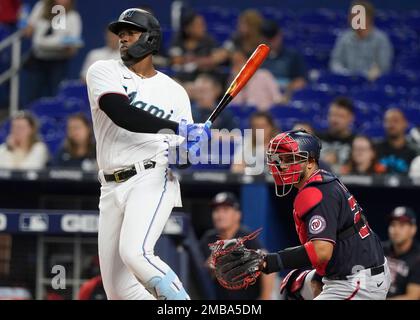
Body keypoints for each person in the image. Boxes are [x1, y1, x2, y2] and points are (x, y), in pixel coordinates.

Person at [85, 8, 210, 300]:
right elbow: (120, 113)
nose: (123, 38)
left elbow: (184, 160)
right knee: (117, 290)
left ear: (151, 38)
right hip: (110, 185)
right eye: (121, 33)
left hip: (152, 177)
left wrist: (192, 147)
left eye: (131, 32)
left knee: (136, 252)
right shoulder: (103, 70)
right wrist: (178, 128)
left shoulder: (175, 91)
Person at [219, 130, 390, 299]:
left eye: (290, 159)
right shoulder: (322, 180)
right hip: (353, 269)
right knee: (293, 286)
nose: (282, 165)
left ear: (310, 162)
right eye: (280, 159)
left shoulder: (315, 192)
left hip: (357, 282)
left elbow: (321, 251)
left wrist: (268, 261)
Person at [200, 192, 275, 300]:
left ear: (237, 215)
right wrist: (211, 265)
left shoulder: (246, 238)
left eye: (225, 210)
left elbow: (268, 264)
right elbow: (199, 273)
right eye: (216, 211)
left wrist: (265, 298)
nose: (220, 215)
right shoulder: (208, 239)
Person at [24, 0, 83, 103]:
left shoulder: (73, 17)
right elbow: (29, 31)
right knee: (32, 94)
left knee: (57, 94)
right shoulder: (41, 6)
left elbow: (73, 48)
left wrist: (65, 44)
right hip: (38, 60)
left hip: (58, 63)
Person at [329, 1, 393, 81]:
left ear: (368, 18)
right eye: (352, 16)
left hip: (370, 83)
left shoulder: (381, 39)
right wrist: (344, 74)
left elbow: (383, 67)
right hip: (347, 81)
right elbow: (335, 62)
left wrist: (374, 73)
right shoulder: (344, 38)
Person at [261, 20, 307, 98]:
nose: (270, 41)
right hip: (262, 94)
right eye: (267, 38)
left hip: (285, 95)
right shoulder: (258, 57)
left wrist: (289, 89)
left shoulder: (292, 56)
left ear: (279, 35)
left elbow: (301, 81)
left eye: (273, 37)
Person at [169, 11, 218, 82]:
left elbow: (215, 59)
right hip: (180, 77)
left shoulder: (209, 41)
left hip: (201, 78)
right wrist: (202, 61)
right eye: (198, 25)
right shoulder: (177, 40)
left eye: (203, 25)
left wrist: (195, 61)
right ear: (187, 28)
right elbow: (176, 60)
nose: (203, 28)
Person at [383, 207, 420, 300]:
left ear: (413, 229)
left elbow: (413, 297)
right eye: (393, 224)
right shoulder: (380, 249)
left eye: (402, 225)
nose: (396, 229)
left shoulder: (417, 257)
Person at [318, 97, 355, 173]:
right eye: (332, 115)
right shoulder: (316, 139)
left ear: (351, 118)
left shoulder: (356, 143)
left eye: (340, 116)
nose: (335, 120)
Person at [376, 108, 417, 175]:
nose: (391, 125)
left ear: (405, 123)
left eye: (395, 121)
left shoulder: (414, 151)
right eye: (387, 121)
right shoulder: (375, 149)